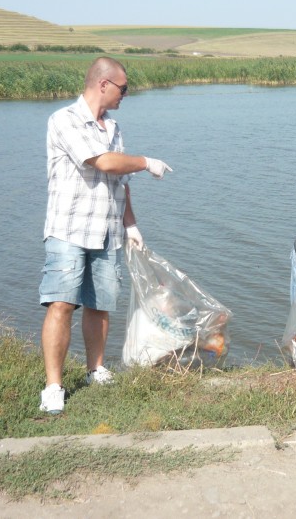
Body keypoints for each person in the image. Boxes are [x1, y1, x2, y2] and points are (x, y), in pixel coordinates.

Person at [38, 56, 172, 414]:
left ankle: (95, 369)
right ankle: (53, 386)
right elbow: (104, 162)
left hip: (107, 231)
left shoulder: (112, 127)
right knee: (61, 304)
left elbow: (119, 181)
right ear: (103, 84)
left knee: (99, 306)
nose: (126, 94)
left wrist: (130, 224)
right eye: (123, 88)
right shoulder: (64, 120)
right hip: (69, 229)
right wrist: (146, 161)